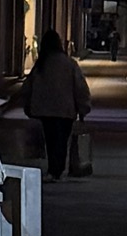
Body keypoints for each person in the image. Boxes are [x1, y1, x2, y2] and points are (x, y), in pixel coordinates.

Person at [22, 29, 91, 180]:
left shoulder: (41, 65)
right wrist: (83, 107)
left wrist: (27, 104)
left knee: (50, 139)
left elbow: (28, 86)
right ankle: (57, 169)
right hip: (66, 110)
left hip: (45, 110)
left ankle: (54, 169)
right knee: (62, 140)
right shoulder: (70, 64)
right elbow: (80, 87)